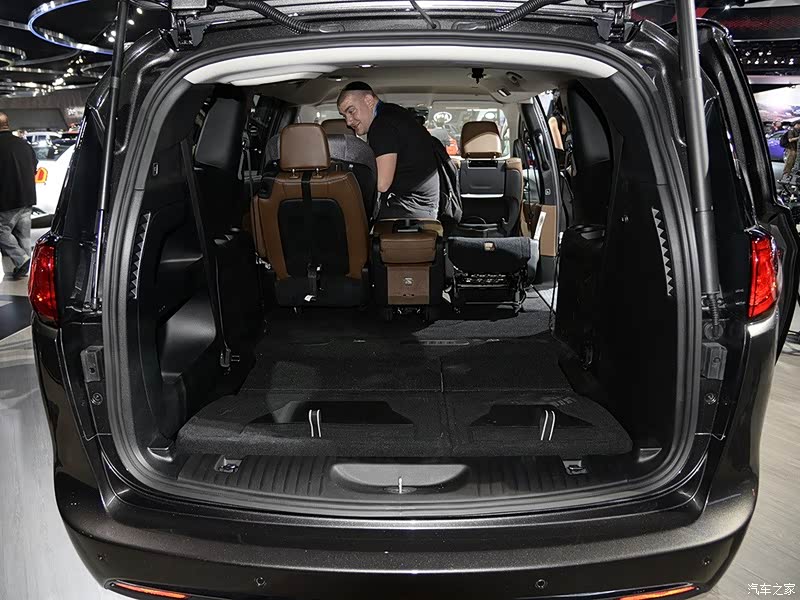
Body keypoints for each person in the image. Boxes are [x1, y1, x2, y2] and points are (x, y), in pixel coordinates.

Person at [337, 82, 439, 220]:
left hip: (408, 211)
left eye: (351, 111)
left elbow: (382, 184)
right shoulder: (393, 113)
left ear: (368, 100)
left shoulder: (382, 125)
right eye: (344, 116)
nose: (348, 122)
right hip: (422, 206)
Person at [0, 112, 37, 280]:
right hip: (27, 197)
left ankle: (22, 260)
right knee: (24, 235)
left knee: (2, 231)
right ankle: (26, 268)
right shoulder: (24, 144)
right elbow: (34, 167)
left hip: (7, 199)